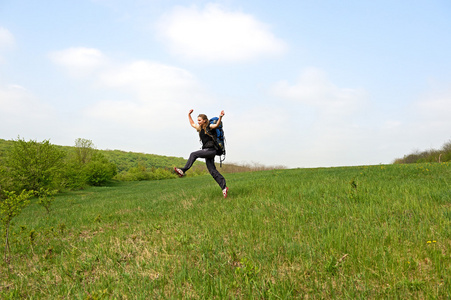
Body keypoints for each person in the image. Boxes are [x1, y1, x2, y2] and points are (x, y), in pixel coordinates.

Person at [174, 109, 228, 198]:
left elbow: (217, 125)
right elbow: (192, 124)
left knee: (193, 154)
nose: (198, 122)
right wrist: (188, 115)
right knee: (212, 171)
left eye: (199, 120)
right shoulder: (200, 129)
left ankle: (183, 170)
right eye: (197, 120)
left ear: (204, 120)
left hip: (211, 150)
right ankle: (224, 187)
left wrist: (220, 117)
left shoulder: (209, 126)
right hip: (207, 151)